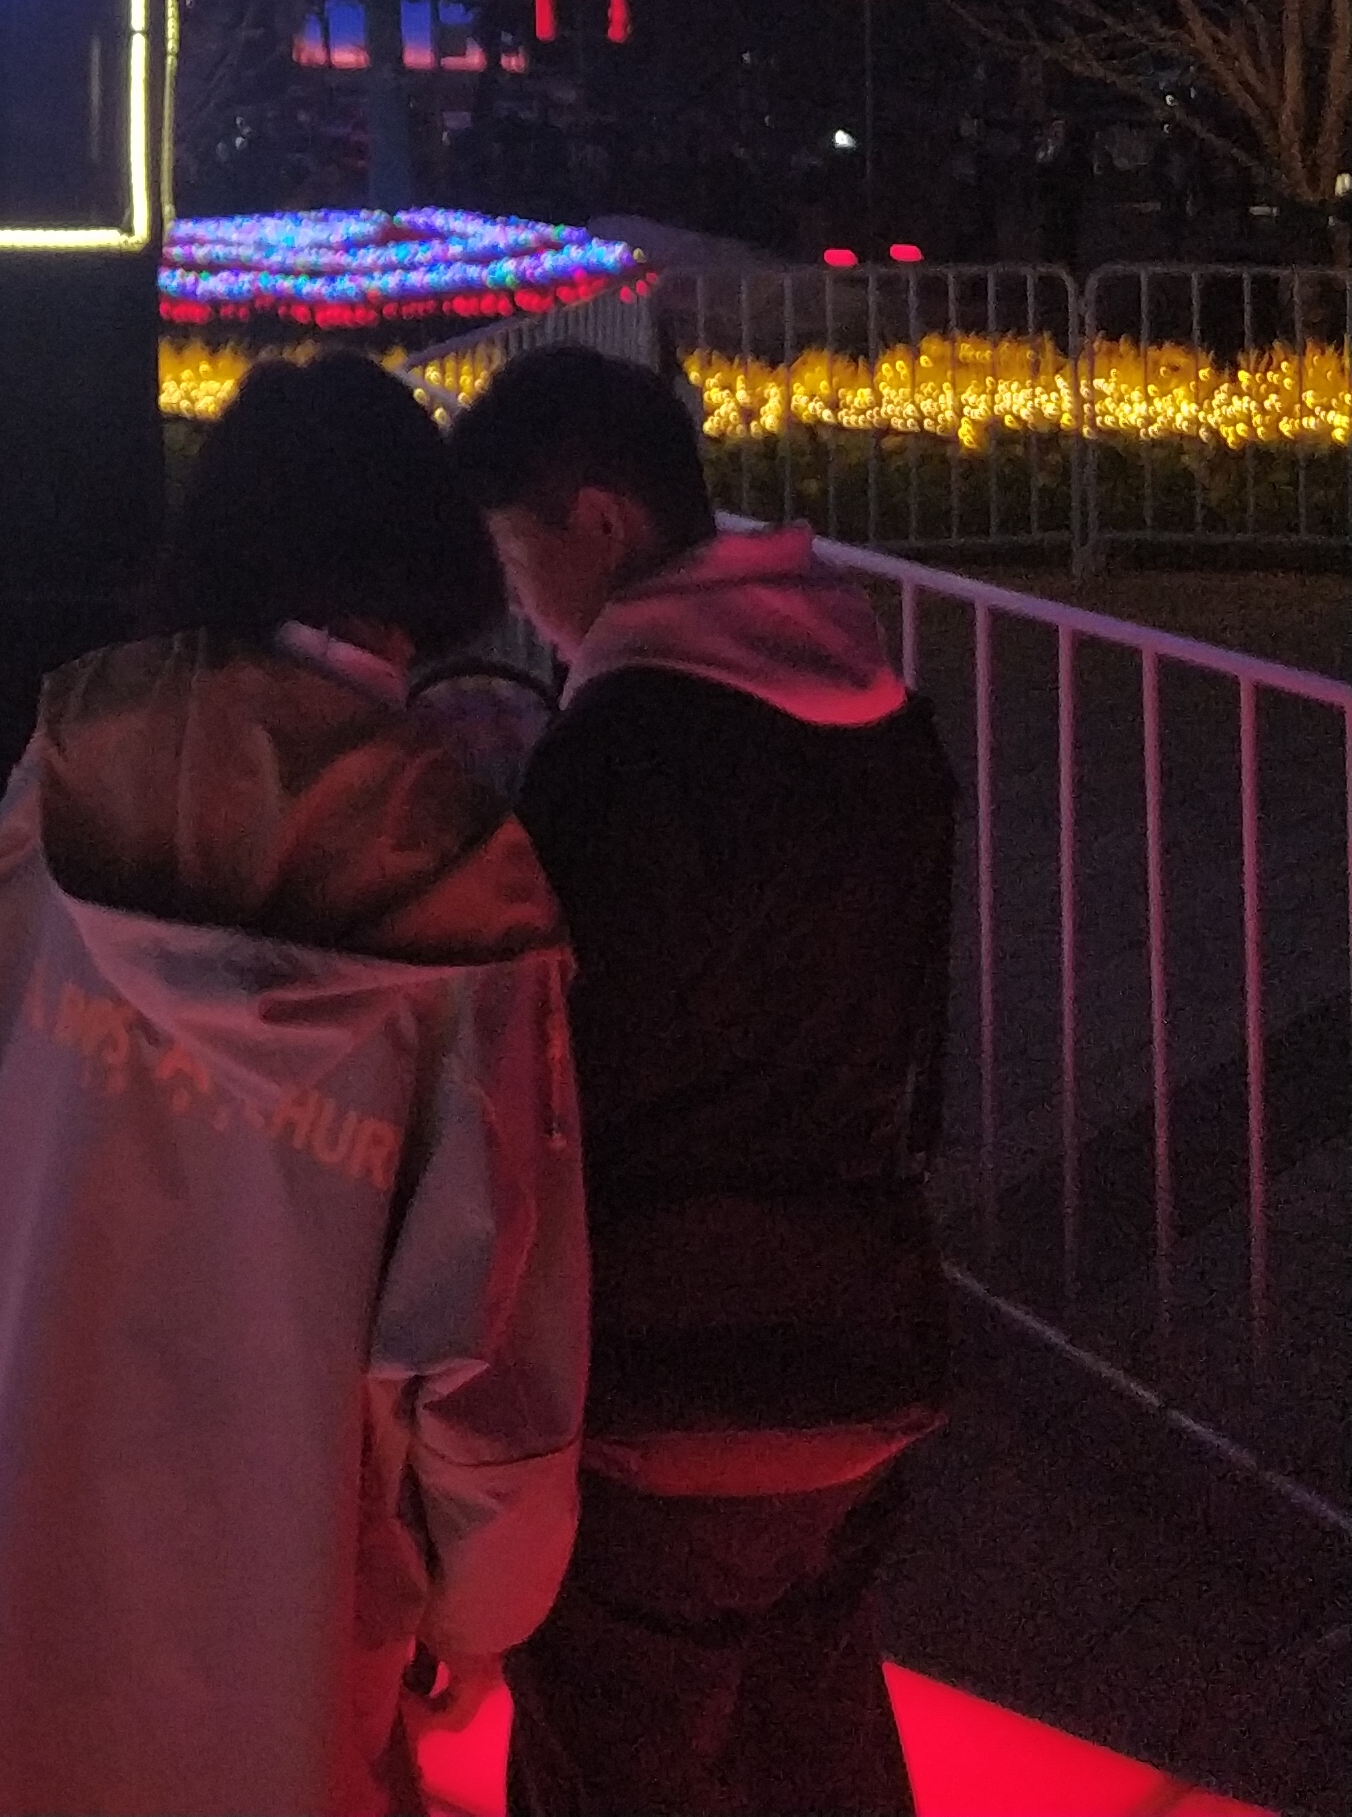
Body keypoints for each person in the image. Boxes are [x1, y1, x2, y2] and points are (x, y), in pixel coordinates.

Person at [0, 350, 586, 1817]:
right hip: (284, 1583)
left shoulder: (74, 761)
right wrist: (479, 1604)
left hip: (16, 1502)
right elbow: (489, 1332)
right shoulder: (468, 885)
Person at [448, 346, 956, 1817]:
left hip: (666, 1381)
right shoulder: (880, 707)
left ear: (599, 522)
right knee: (817, 1745)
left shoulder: (624, 749)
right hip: (863, 1340)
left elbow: (564, 1080)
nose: (519, 601)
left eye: (516, 555)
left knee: (622, 1759)